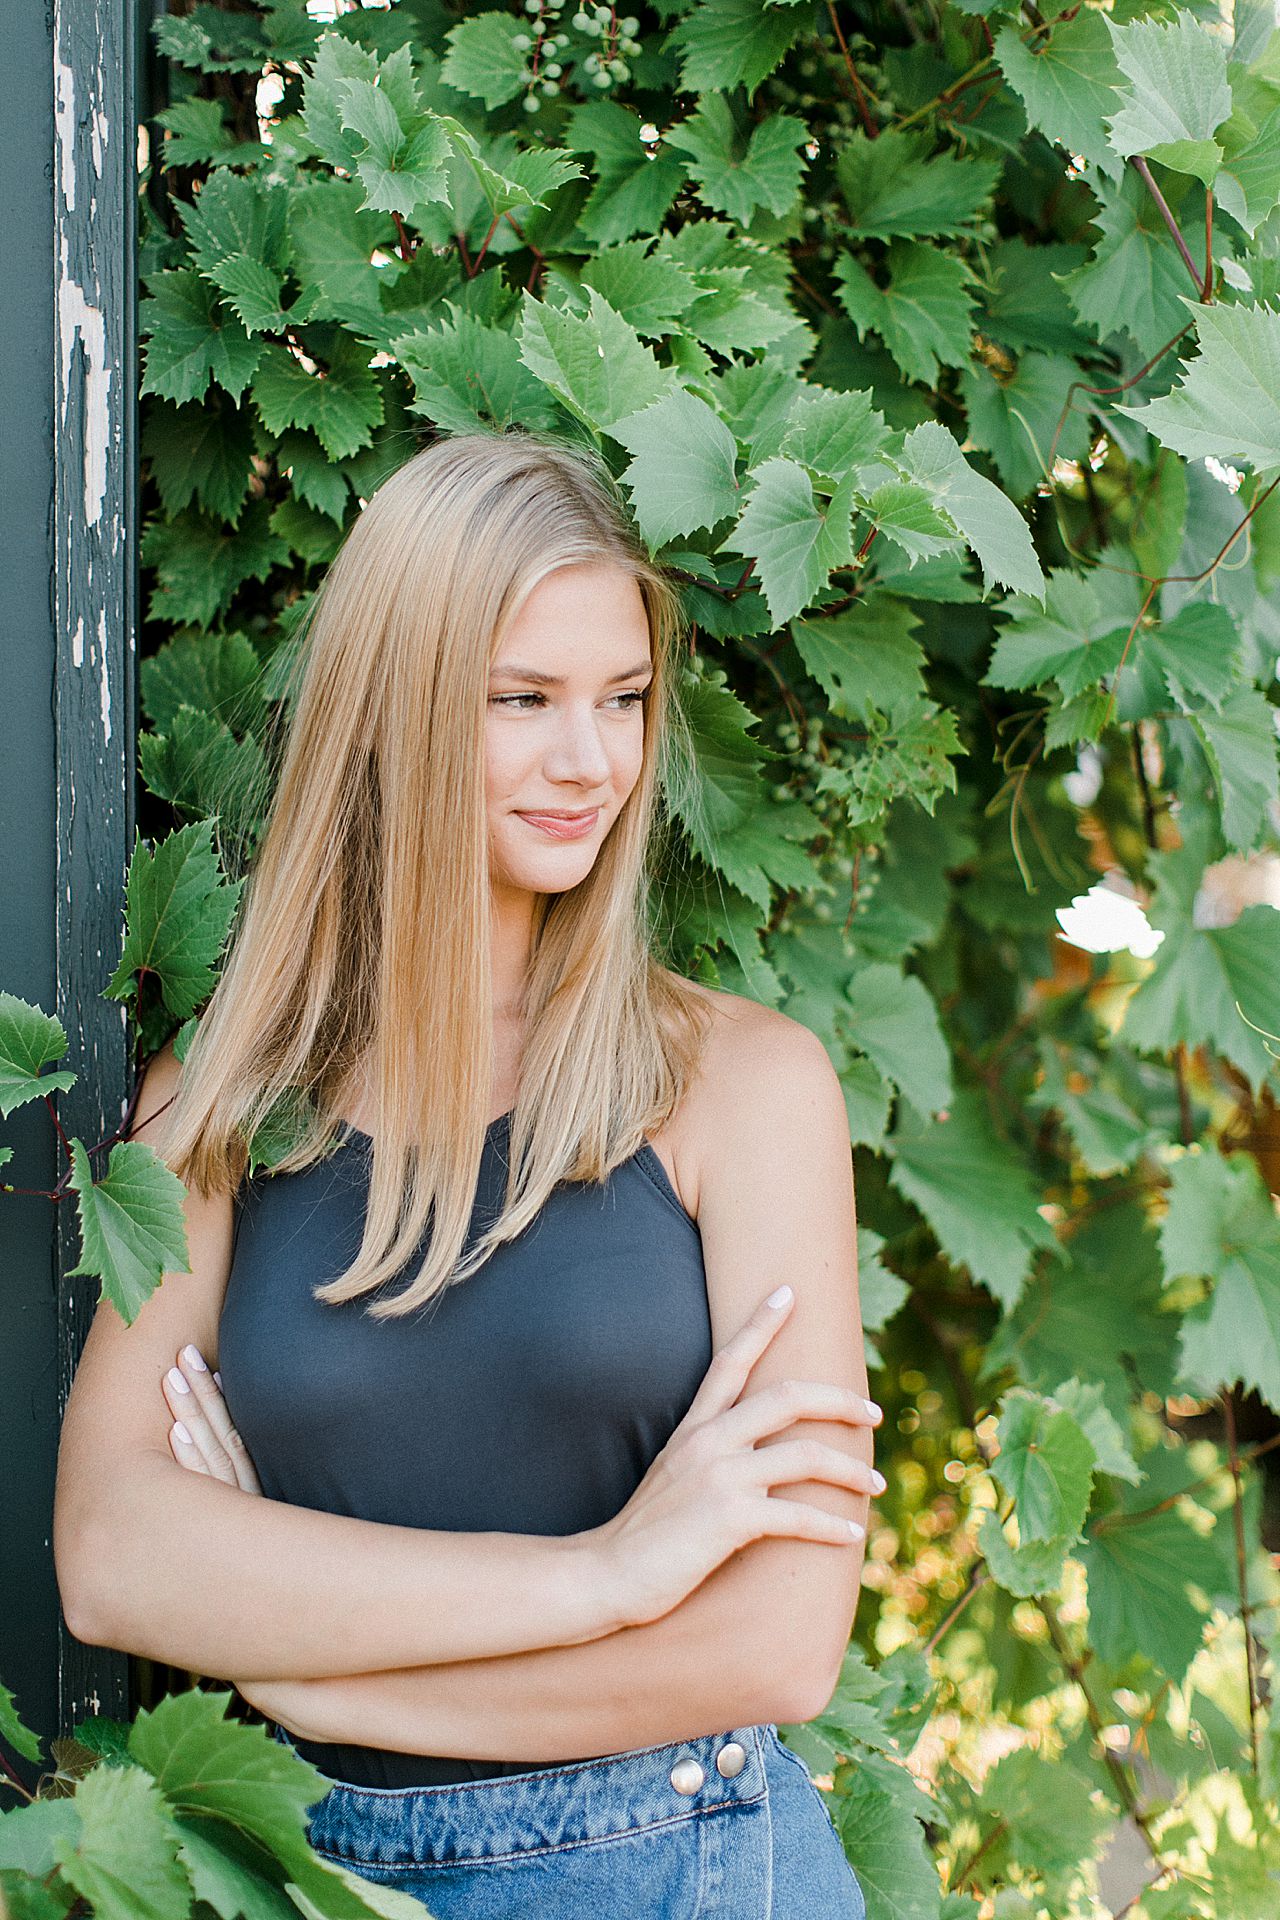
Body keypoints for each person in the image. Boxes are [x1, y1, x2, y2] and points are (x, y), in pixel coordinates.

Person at [54, 427, 883, 1917]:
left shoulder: (744, 1089)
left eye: (623, 700)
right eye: (524, 701)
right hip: (306, 1876)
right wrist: (608, 1580)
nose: (593, 761)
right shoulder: (227, 1104)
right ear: (399, 711)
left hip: (687, 1868)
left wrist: (313, 1684)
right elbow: (113, 1554)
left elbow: (775, 1645)